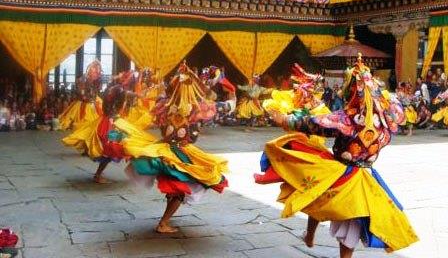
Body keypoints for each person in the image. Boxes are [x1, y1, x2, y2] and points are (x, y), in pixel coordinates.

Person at [255, 55, 418, 258]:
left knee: (334, 208)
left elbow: (315, 124)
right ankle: (310, 235)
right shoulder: (386, 120)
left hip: (345, 175)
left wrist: (285, 120)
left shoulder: (348, 118)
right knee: (321, 199)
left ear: (352, 90)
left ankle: (314, 237)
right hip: (364, 173)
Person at [122, 62, 228, 233]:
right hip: (175, 153)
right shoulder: (191, 107)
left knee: (176, 189)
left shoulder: (169, 106)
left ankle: (164, 221)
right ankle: (163, 223)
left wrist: (130, 128)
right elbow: (214, 99)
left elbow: (148, 119)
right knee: (180, 190)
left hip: (168, 151)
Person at [63, 70, 155, 183]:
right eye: (132, 82)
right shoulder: (121, 91)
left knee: (118, 146)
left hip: (106, 122)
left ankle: (102, 174)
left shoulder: (112, 89)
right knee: (122, 144)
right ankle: (131, 171)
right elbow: (132, 95)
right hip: (111, 124)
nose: (133, 84)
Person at [58, 60, 102, 130]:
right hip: (83, 103)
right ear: (91, 71)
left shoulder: (96, 81)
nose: (97, 75)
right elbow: (82, 94)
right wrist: (89, 99)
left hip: (92, 101)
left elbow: (95, 93)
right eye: (96, 73)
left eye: (98, 73)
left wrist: (93, 100)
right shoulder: (83, 79)